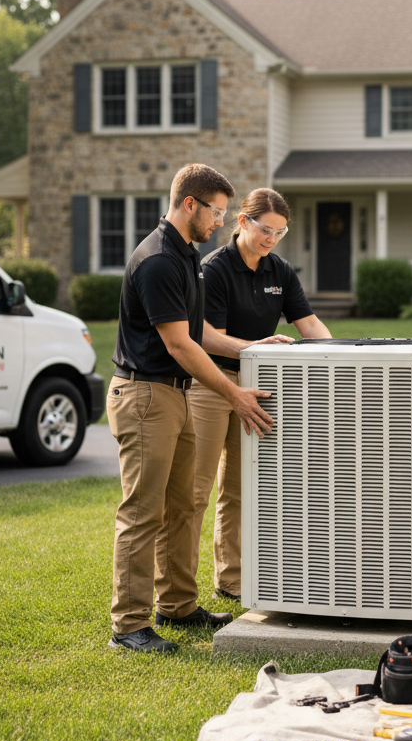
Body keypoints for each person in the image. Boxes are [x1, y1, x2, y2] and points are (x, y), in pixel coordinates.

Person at [107, 164, 286, 654]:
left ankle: (179, 605)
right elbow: (180, 345)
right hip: (145, 395)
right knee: (143, 511)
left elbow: (202, 334)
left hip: (175, 394)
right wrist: (234, 394)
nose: (220, 223)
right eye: (217, 212)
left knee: (183, 504)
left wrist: (253, 347)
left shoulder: (186, 256)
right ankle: (128, 625)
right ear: (191, 204)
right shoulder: (159, 260)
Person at [189, 188, 331, 600]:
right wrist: (254, 346)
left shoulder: (280, 271)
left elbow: (309, 323)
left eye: (280, 233)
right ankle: (177, 594)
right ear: (242, 222)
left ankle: (231, 581)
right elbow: (206, 337)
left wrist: (340, 354)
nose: (271, 239)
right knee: (196, 491)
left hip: (258, 391)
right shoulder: (213, 268)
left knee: (239, 486)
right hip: (213, 384)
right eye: (265, 229)